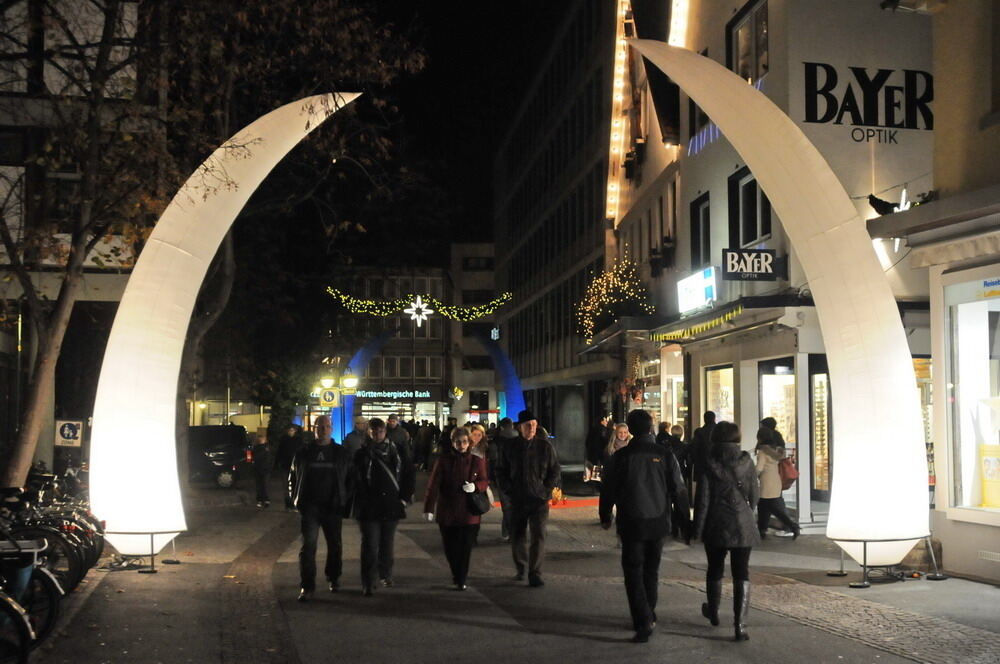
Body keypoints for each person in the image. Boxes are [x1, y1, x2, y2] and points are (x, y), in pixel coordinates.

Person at [600, 409, 690, 644]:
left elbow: (608, 488)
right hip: (658, 520)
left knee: (633, 571)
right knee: (651, 570)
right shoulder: (665, 455)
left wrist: (605, 515)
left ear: (630, 429)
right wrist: (685, 519)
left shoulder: (621, 457)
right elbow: (678, 489)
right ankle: (649, 613)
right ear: (651, 428)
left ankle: (642, 619)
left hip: (631, 521)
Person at [694, 421, 760, 642]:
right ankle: (740, 626)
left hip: (716, 523)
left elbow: (703, 499)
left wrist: (698, 528)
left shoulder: (709, 463)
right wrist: (746, 510)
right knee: (742, 572)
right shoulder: (746, 462)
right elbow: (754, 495)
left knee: (715, 568)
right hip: (742, 524)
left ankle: (713, 612)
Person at [287, 415, 353, 602]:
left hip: (332, 506)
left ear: (331, 429)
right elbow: (292, 477)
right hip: (310, 507)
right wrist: (296, 500)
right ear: (314, 429)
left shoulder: (341, 453)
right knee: (308, 547)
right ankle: (307, 586)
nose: (323, 430)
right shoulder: (304, 452)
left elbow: (350, 478)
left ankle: (333, 577)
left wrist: (344, 500)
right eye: (320, 426)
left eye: (326, 426)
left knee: (335, 545)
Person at [495, 410, 560, 588]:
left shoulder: (545, 447)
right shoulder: (509, 446)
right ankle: (521, 567)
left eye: (533, 424)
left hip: (539, 500)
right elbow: (500, 470)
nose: (531, 428)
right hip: (517, 499)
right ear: (519, 427)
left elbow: (554, 470)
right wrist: (508, 490)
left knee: (538, 535)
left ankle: (535, 572)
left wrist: (546, 490)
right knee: (518, 535)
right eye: (527, 425)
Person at [353, 417, 415, 596]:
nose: (377, 435)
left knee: (387, 543)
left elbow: (408, 474)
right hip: (369, 506)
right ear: (369, 433)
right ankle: (368, 581)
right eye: (374, 432)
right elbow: (356, 479)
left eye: (380, 431)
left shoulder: (397, 451)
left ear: (385, 432)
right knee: (370, 544)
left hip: (391, 504)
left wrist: (403, 499)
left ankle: (385, 574)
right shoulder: (362, 454)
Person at [422, 427, 489, 590]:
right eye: (458, 442)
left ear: (469, 442)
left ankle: (461, 578)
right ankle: (456, 573)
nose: (462, 445)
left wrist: (475, 486)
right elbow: (433, 485)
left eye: (464, 441)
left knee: (465, 548)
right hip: (448, 510)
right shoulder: (443, 461)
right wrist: (428, 508)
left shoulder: (477, 461)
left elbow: (484, 480)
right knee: (450, 547)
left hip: (469, 512)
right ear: (452, 443)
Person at [755, 418, 800, 539]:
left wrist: (753, 475)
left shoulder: (763, 451)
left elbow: (759, 468)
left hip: (767, 481)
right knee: (766, 506)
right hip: (776, 479)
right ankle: (762, 529)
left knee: (770, 507)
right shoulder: (776, 449)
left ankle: (791, 526)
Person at [489, 417, 518, 541]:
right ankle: (509, 532)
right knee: (514, 507)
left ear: (501, 427)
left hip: (502, 477)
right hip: (516, 477)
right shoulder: (519, 440)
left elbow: (493, 460)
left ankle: (508, 532)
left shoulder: (496, 440)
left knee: (507, 507)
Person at [689, 411, 717, 481]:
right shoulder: (720, 431)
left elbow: (694, 450)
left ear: (704, 419)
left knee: (703, 486)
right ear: (714, 419)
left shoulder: (699, 432)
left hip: (702, 467)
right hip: (717, 466)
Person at [584, 416, 610, 487]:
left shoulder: (593, 429)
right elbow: (604, 441)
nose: (606, 422)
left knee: (593, 467)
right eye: (605, 420)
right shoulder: (603, 430)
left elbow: (587, 442)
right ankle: (598, 483)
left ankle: (593, 483)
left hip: (593, 452)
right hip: (600, 452)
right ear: (601, 421)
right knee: (599, 469)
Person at [252, 428, 272, 508]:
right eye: (259, 437)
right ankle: (260, 500)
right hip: (258, 469)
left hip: (265, 469)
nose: (261, 439)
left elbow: (269, 458)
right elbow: (254, 457)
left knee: (265, 485)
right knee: (259, 485)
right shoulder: (256, 447)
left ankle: (266, 499)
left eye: (262, 438)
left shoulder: (267, 447)